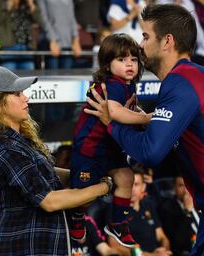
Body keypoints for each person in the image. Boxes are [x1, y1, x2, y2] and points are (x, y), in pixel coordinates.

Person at [85, 4, 204, 255]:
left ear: (167, 42)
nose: (140, 46)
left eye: (145, 36)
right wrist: (142, 120)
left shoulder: (181, 81)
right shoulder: (193, 77)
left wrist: (112, 123)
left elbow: (150, 152)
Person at [0, 66, 114, 255]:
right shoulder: (5, 147)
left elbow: (51, 175)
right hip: (21, 248)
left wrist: (92, 172)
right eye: (17, 94)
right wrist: (105, 186)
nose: (25, 97)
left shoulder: (19, 142)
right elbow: (49, 201)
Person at [70, 33, 151, 248]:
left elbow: (129, 110)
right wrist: (145, 118)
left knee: (126, 177)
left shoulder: (128, 84)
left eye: (133, 59)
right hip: (90, 148)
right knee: (84, 195)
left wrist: (143, 115)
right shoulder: (112, 84)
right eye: (122, 59)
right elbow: (115, 112)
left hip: (110, 146)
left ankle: (118, 223)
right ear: (107, 64)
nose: (130, 64)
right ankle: (76, 216)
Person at [158, 176, 200, 256]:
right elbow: (178, 242)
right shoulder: (166, 209)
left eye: (188, 185)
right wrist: (187, 212)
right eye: (181, 185)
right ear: (174, 188)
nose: (185, 190)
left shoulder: (200, 202)